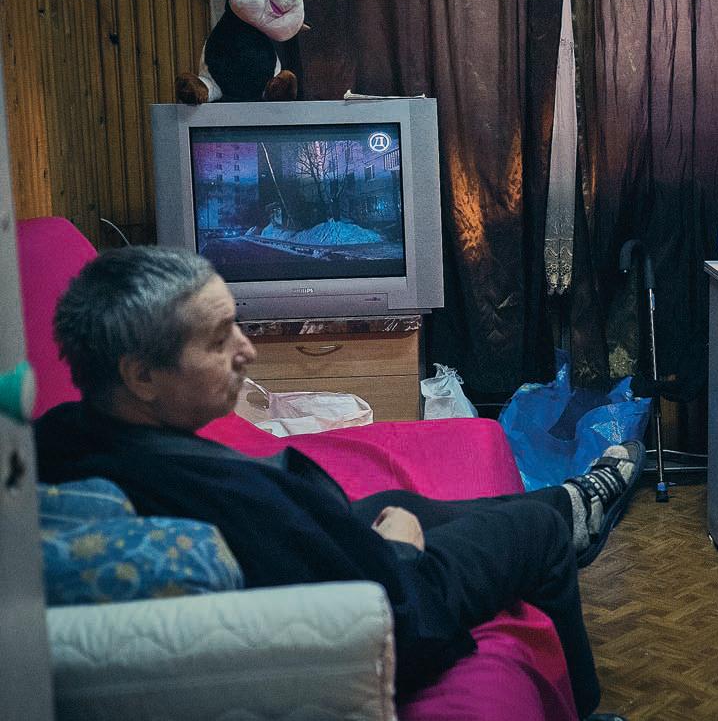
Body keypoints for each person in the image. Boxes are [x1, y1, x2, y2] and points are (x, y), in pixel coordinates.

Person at [33, 246, 641, 719]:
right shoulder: (228, 501)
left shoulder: (66, 432)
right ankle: (579, 681)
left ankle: (568, 505)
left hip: (330, 548)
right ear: (141, 376)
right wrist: (403, 550)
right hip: (389, 593)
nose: (247, 351)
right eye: (219, 341)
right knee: (536, 531)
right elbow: (399, 626)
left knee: (399, 499)